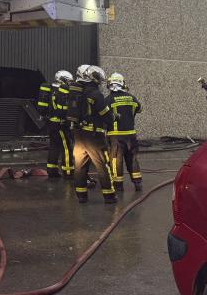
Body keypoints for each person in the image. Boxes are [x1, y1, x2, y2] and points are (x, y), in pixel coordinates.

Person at [70, 64, 117, 204]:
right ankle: (109, 196)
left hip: (78, 135)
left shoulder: (77, 92)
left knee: (79, 166)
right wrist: (115, 117)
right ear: (88, 76)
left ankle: (81, 196)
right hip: (94, 137)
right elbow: (105, 115)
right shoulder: (95, 94)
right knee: (103, 165)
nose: (98, 79)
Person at [105, 72, 143, 192]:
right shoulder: (131, 97)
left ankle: (118, 184)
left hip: (115, 135)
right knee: (132, 158)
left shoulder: (108, 99)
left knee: (116, 159)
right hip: (131, 134)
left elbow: (104, 115)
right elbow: (140, 108)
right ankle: (137, 183)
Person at [36, 70, 74, 178]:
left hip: (51, 123)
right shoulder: (62, 91)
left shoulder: (51, 89)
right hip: (61, 124)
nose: (69, 83)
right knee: (66, 148)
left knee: (54, 146)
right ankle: (68, 172)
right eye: (68, 81)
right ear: (62, 80)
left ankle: (52, 171)